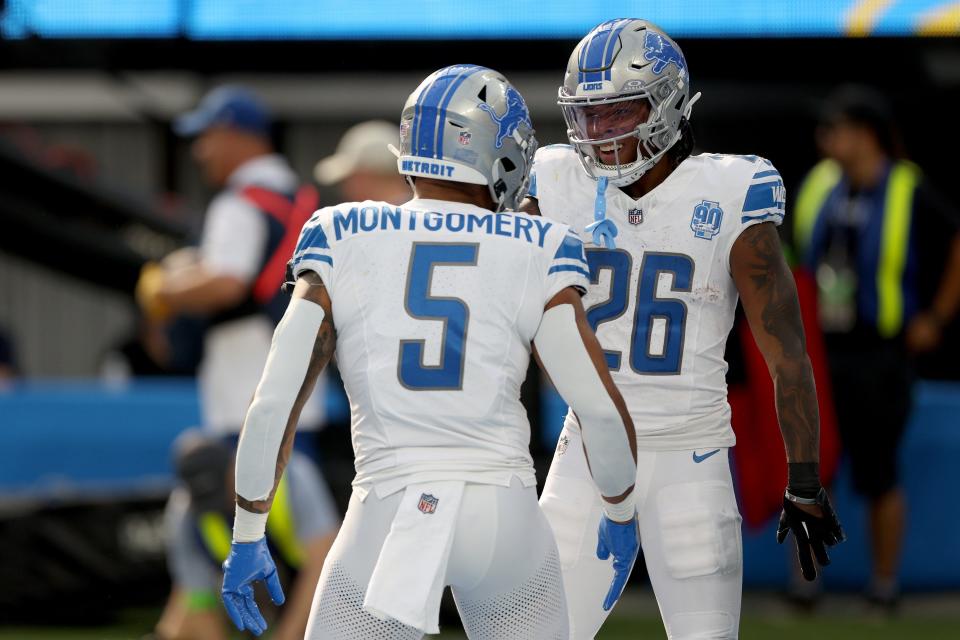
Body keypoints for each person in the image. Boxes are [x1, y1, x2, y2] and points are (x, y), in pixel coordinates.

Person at [218, 64, 640, 640]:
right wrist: (620, 509)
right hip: (504, 513)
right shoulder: (540, 246)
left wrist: (247, 530)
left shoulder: (343, 232)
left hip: (387, 509)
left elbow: (274, 402)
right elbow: (597, 408)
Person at [524, 19, 846, 639]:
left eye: (620, 113)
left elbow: (787, 355)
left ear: (668, 103)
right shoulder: (555, 179)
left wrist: (803, 478)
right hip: (585, 451)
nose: (601, 134)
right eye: (588, 116)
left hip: (689, 453)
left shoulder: (730, 191)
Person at [792, 85, 960, 609]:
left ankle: (884, 586)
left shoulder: (908, 186)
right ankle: (807, 586)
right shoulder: (821, 184)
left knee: (879, 470)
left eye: (834, 129)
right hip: (823, 350)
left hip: (880, 352)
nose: (825, 140)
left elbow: (956, 243)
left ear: (864, 135)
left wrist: (935, 318)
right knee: (812, 470)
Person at [135, 84, 325, 440]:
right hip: (299, 381)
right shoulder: (302, 201)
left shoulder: (240, 202)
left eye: (207, 137)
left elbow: (227, 282)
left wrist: (161, 289)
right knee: (294, 489)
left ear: (235, 135)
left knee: (252, 494)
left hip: (247, 395)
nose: (199, 151)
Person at [155, 432, 339, 640]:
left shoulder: (292, 476)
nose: (219, 504)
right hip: (247, 587)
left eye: (219, 490)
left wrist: (286, 637)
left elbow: (322, 564)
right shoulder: (185, 513)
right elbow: (198, 600)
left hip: (308, 576)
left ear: (235, 466)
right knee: (178, 626)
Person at [314, 120, 411, 205]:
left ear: (372, 174)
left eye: (351, 179)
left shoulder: (369, 221)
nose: (345, 190)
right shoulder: (421, 217)